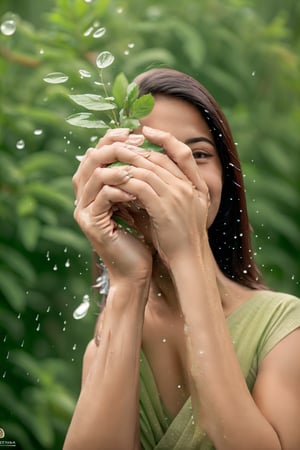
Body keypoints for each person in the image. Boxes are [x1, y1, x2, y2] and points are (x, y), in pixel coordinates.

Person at [63, 68, 300, 450]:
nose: (176, 174)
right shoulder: (107, 349)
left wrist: (189, 253)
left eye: (198, 154)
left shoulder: (286, 330)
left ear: (226, 177)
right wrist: (127, 284)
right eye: (151, 157)